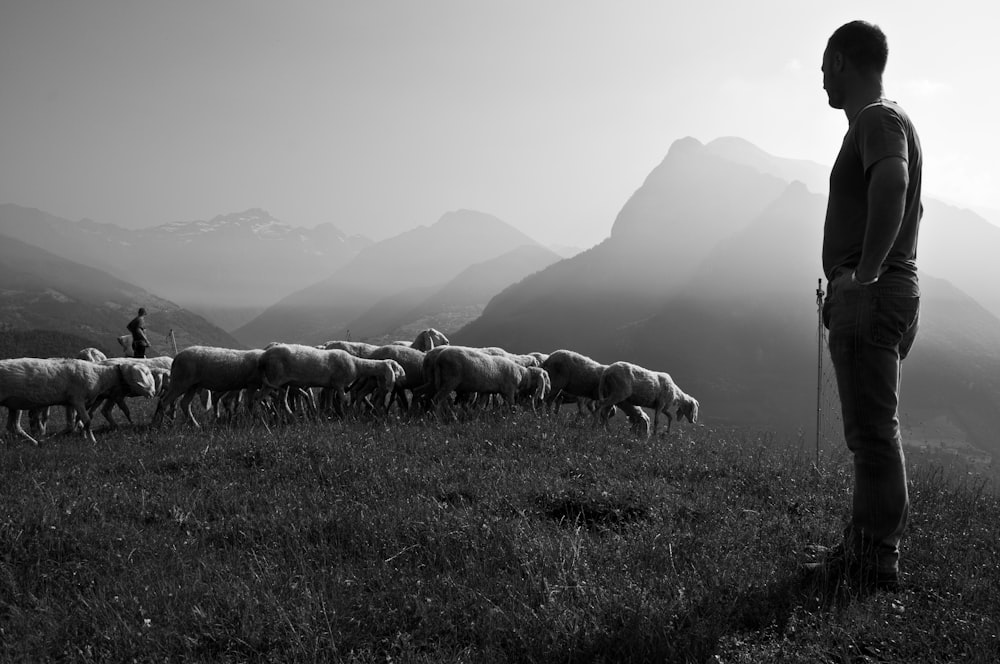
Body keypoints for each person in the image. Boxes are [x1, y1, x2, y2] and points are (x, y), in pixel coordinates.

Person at [809, 20, 923, 595]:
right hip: (882, 291)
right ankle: (866, 547)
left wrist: (865, 274)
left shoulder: (876, 119)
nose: (820, 79)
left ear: (839, 60)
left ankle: (874, 558)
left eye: (823, 66)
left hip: (872, 292)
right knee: (873, 431)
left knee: (873, 432)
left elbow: (892, 185)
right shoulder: (883, 120)